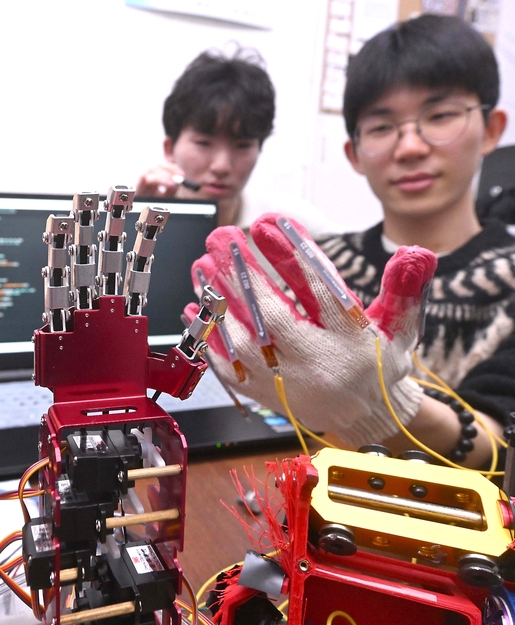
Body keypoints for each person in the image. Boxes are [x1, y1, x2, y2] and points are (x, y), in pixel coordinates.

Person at [187, 13, 515, 472]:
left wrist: (380, 409)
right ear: (354, 153)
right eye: (381, 127)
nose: (410, 147)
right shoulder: (320, 265)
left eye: (440, 116)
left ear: (492, 129)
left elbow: (499, 445)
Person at [136, 47, 339, 240]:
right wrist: (137, 226)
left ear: (259, 147)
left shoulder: (293, 228)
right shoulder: (136, 220)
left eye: (242, 145)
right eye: (203, 143)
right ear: (169, 148)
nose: (222, 166)